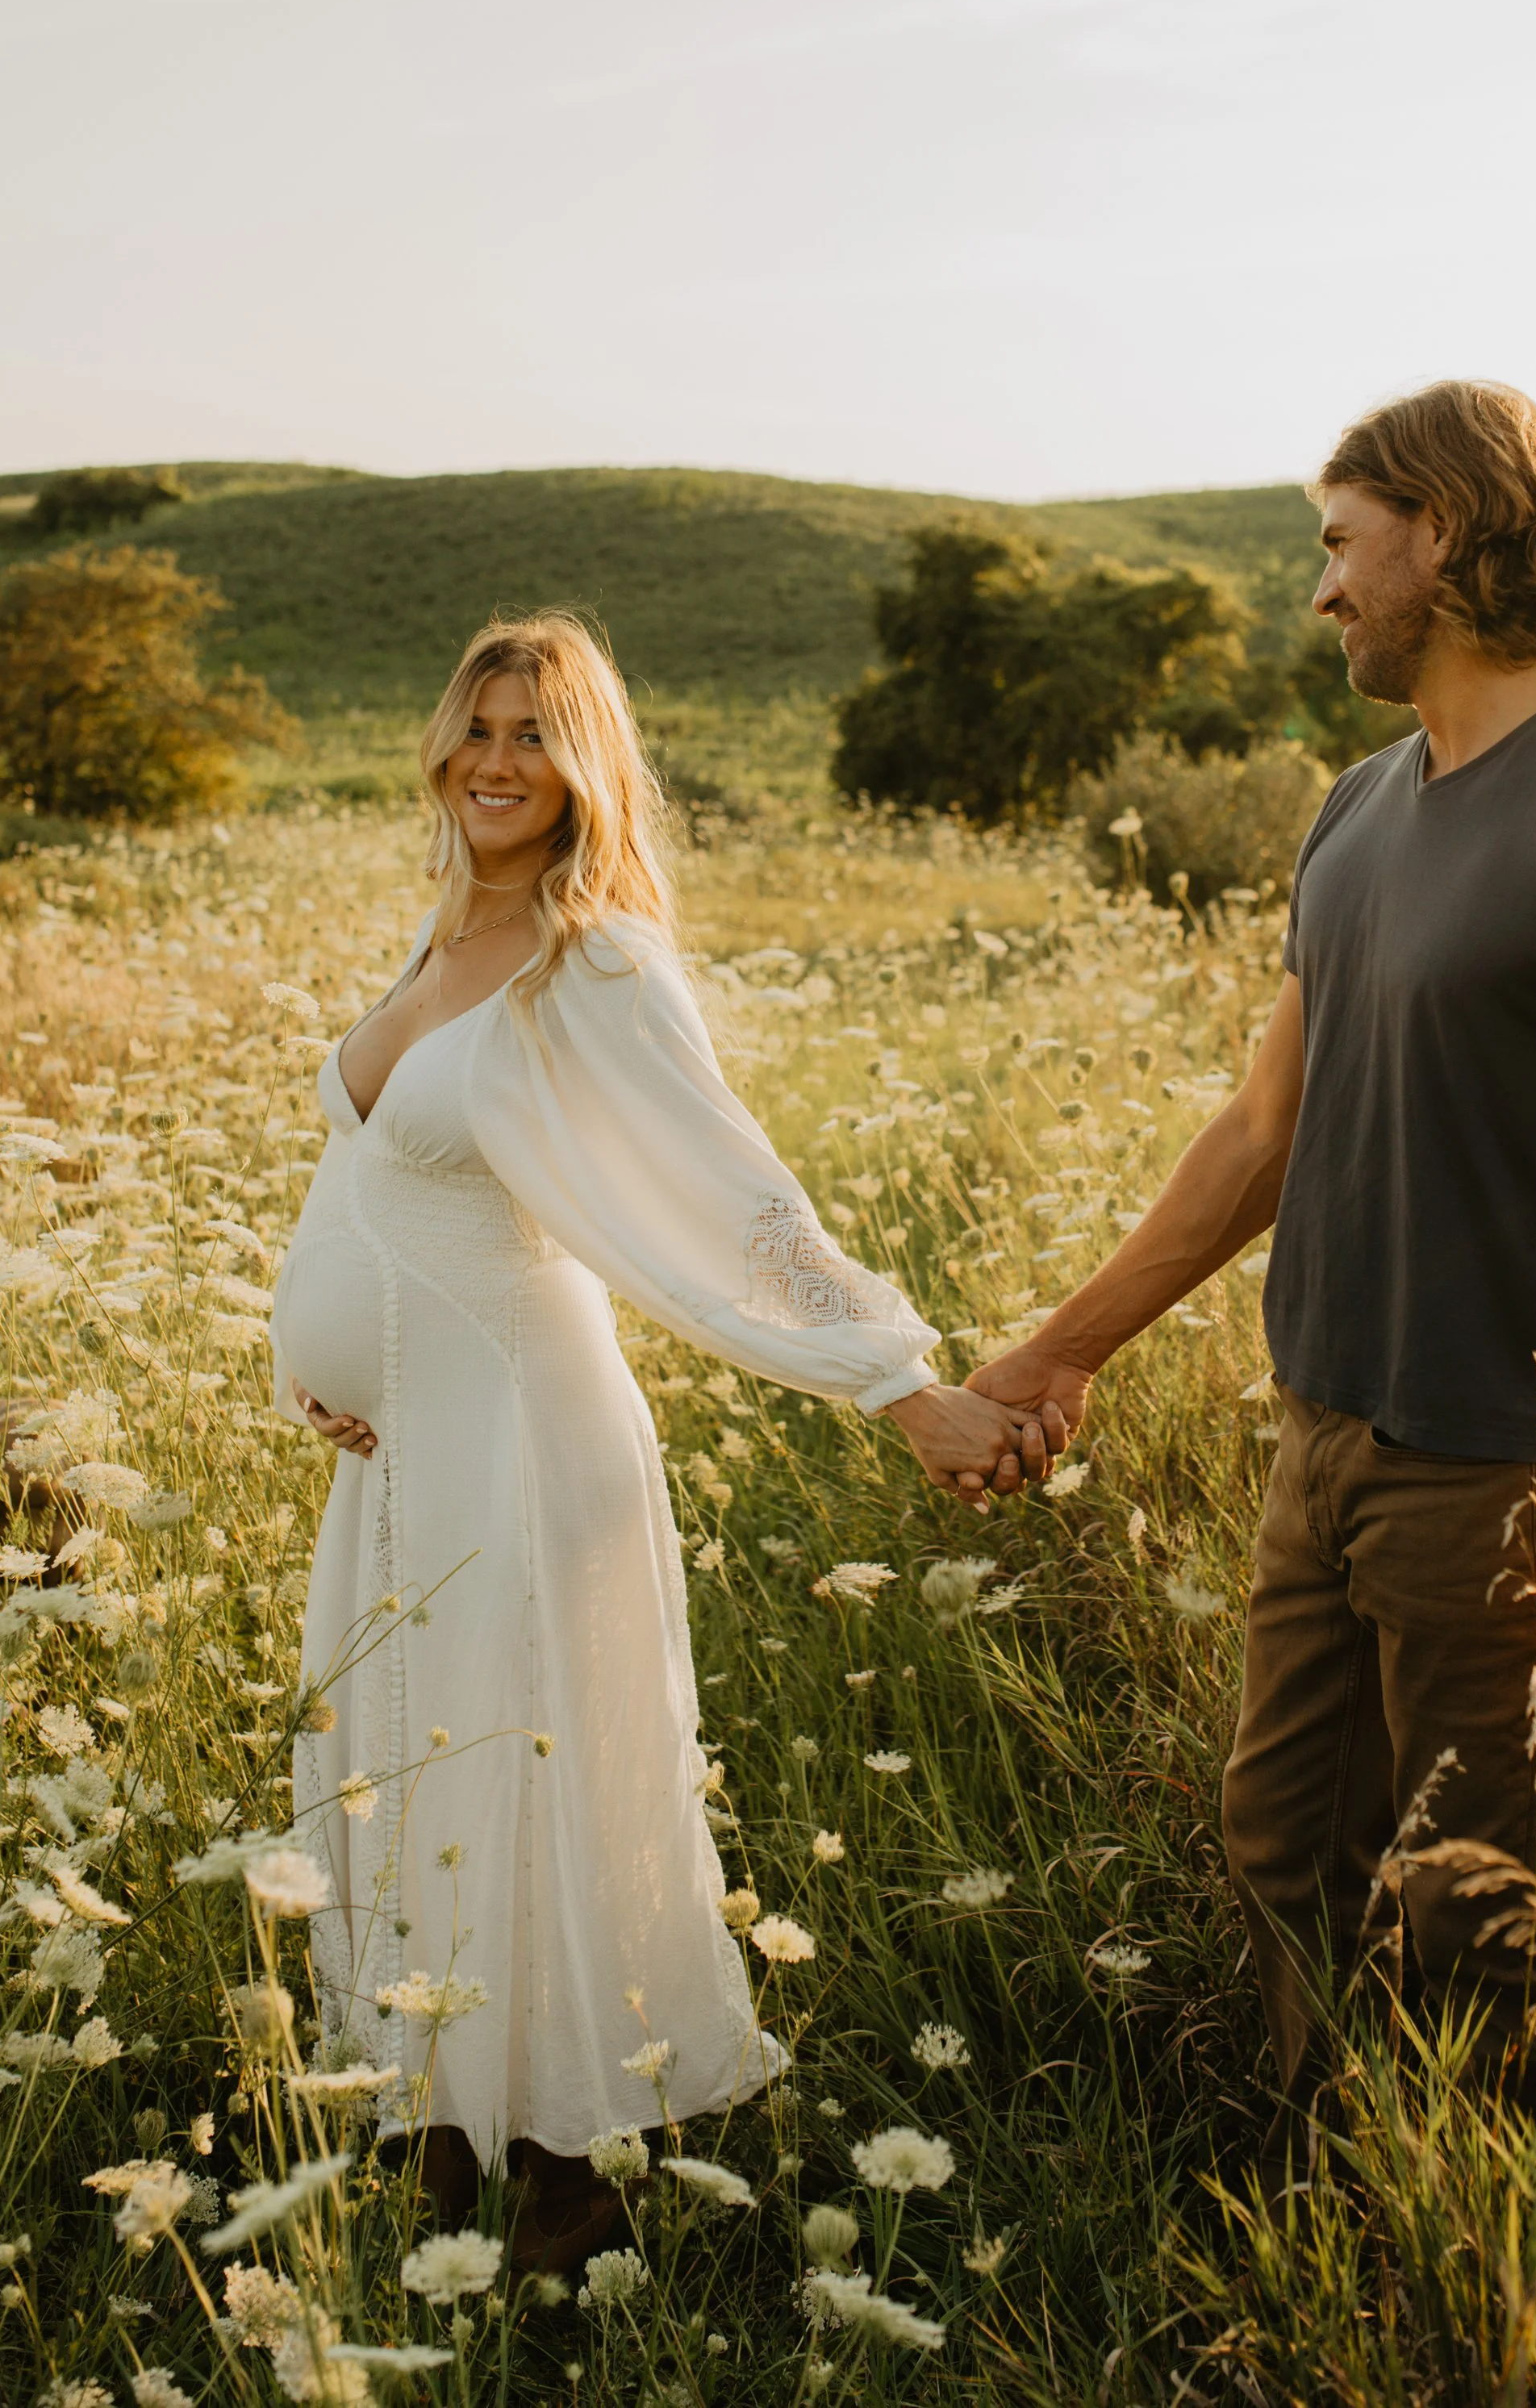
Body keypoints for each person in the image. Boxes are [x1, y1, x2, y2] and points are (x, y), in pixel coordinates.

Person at [969, 381, 1536, 2135]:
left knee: (1477, 1911)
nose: (1320, 591)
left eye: (1343, 545)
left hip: (1500, 1476)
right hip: (1319, 1436)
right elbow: (1259, 1136)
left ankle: (1520, 2277)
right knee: (1282, 1852)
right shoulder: (1354, 807)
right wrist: (1057, 1349)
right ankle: (1350, 2211)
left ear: (1459, 535)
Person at [271, 612, 1030, 2259]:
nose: (496, 759)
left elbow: (734, 1204)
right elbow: (372, 1175)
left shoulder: (593, 959)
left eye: (535, 733)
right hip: (400, 1449)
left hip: (519, 1434)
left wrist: (902, 1389)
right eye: (477, 724)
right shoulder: (434, 939)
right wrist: (312, 1363)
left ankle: (569, 2157)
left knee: (527, 1771)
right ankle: (440, 2117)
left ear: (584, 765)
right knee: (409, 1766)